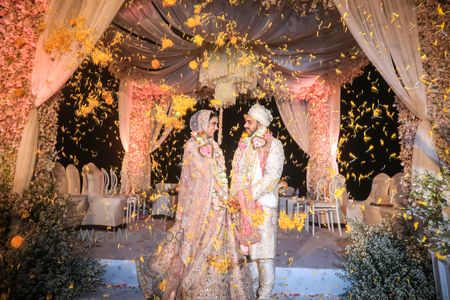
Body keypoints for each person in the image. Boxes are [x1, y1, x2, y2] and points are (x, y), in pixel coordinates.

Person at [136, 109, 254, 300]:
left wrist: (226, 197)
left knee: (218, 244)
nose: (215, 128)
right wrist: (187, 208)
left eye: (216, 124)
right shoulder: (191, 146)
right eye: (212, 124)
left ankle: (214, 287)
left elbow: (220, 175)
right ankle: (186, 286)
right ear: (201, 124)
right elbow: (194, 177)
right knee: (192, 243)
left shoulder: (215, 146)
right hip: (198, 204)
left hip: (218, 205)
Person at [229, 103, 285, 300]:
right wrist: (235, 197)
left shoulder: (274, 145)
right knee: (249, 254)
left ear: (260, 123)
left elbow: (272, 177)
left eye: (249, 121)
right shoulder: (244, 145)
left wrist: (248, 194)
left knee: (264, 255)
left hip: (263, 205)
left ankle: (265, 295)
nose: (245, 125)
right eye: (246, 121)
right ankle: (250, 292)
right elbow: (236, 175)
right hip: (243, 207)